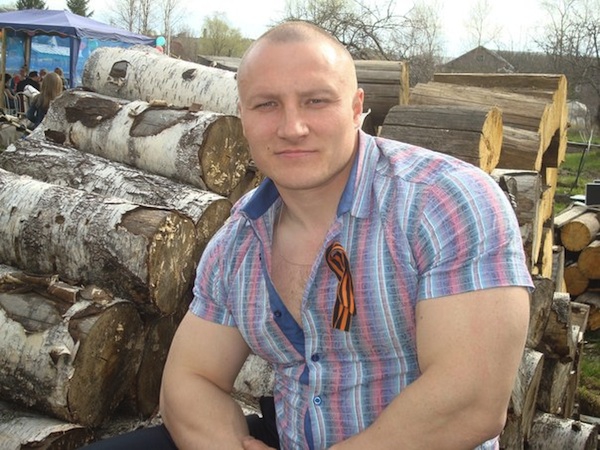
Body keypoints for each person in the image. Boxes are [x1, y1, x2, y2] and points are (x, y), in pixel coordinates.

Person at [80, 21, 532, 450]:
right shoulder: (239, 240)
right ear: (242, 116)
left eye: (316, 101)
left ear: (355, 109)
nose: (292, 128)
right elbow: (189, 381)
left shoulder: (444, 202)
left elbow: (470, 401)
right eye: (266, 105)